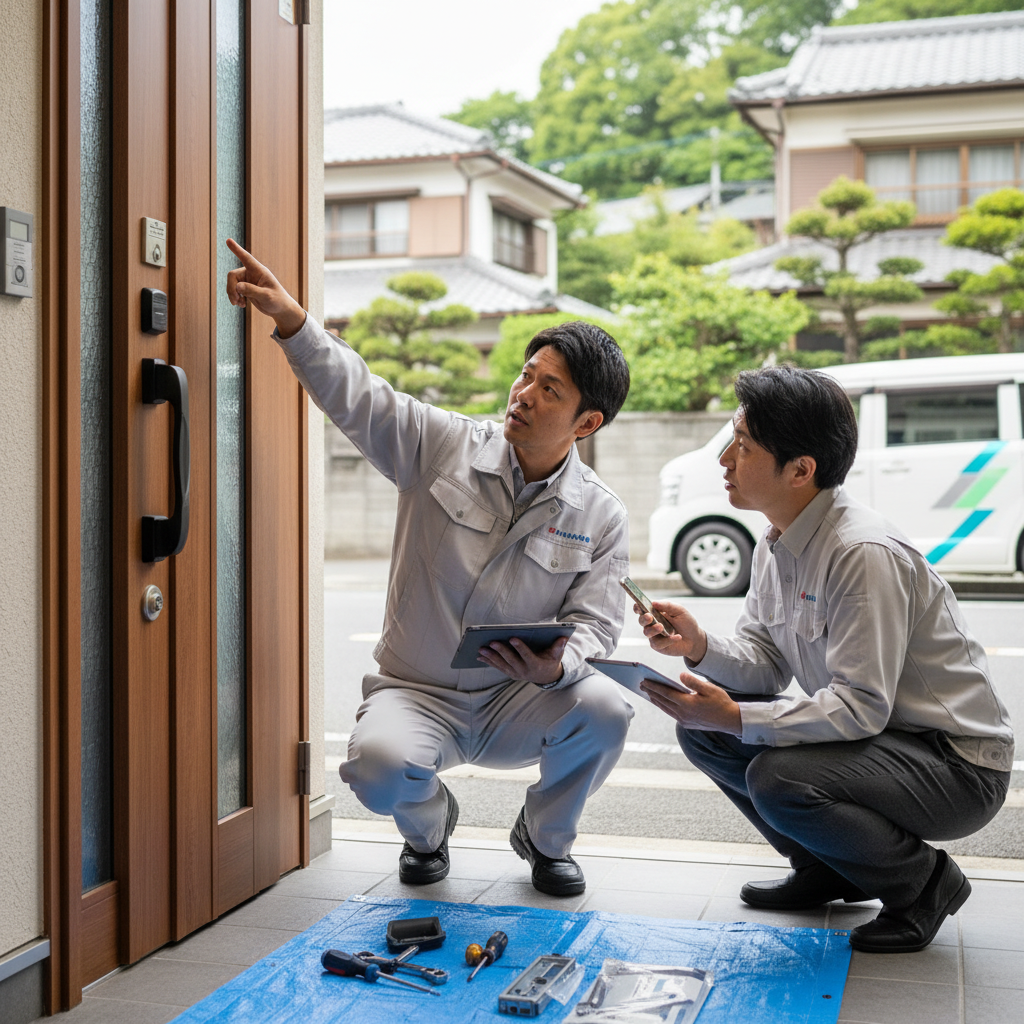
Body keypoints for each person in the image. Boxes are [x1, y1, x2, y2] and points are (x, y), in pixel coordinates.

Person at [226, 239, 634, 896]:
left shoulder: (601, 512)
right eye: (526, 375)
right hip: (416, 691)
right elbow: (359, 395)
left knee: (608, 708)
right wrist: (293, 321)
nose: (524, 394)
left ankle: (546, 838)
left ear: (586, 422)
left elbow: (598, 625)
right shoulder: (442, 444)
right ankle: (430, 827)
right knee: (376, 769)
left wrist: (559, 667)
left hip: (517, 698)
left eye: (548, 389)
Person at [635, 364, 1013, 953]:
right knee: (705, 733)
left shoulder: (860, 552)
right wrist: (698, 646)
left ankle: (925, 885)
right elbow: (766, 663)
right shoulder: (776, 542)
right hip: (886, 743)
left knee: (776, 776)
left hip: (956, 765)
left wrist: (738, 715)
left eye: (743, 445)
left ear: (801, 469)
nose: (725, 460)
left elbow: (860, 707)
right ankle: (828, 868)